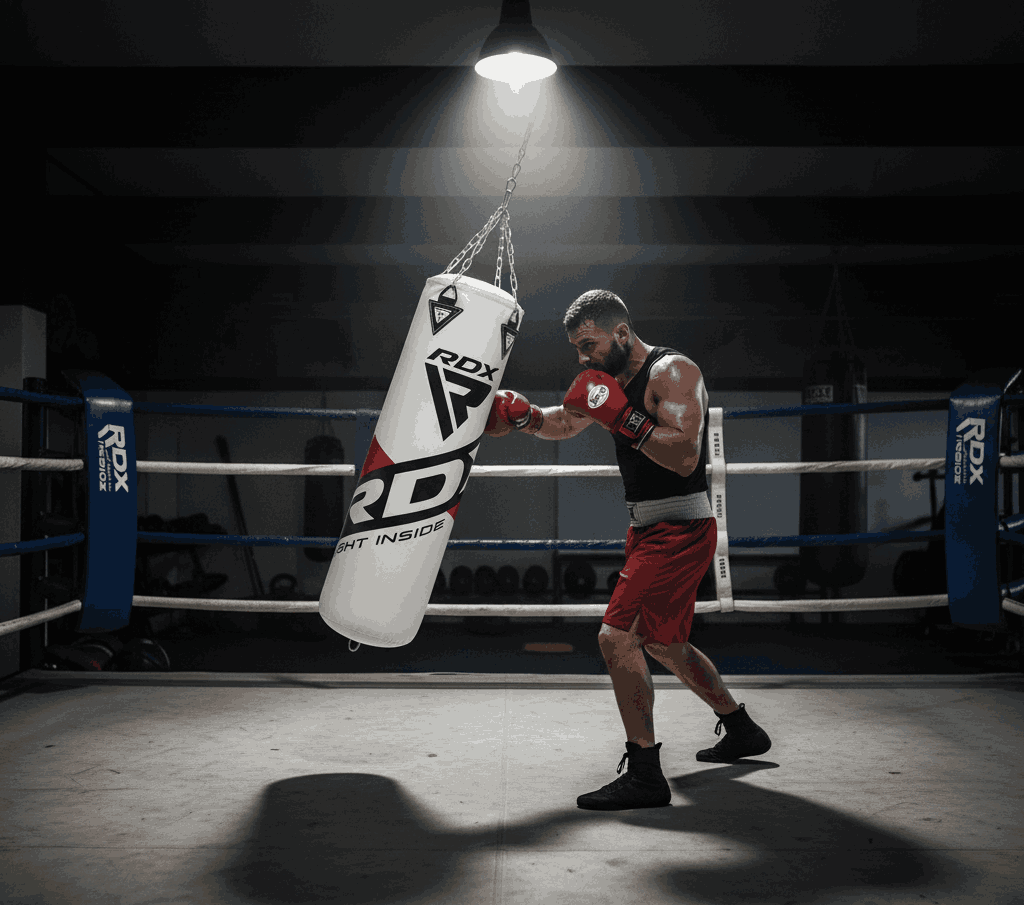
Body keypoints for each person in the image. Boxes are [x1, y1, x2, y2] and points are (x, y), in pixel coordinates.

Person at [485, 289, 771, 810]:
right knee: (664, 644)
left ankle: (644, 773)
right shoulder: (607, 381)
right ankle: (741, 728)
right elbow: (565, 423)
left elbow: (684, 456)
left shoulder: (673, 373)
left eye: (588, 344)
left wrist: (624, 419)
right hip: (648, 530)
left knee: (617, 639)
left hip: (679, 529)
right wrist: (524, 416)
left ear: (620, 333)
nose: (582, 357)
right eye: (577, 348)